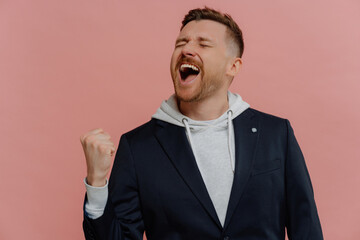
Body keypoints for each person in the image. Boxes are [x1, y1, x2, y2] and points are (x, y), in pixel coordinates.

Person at [80, 7, 323, 240]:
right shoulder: (137, 147)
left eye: (203, 44)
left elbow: (307, 231)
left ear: (233, 66)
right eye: (180, 43)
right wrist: (97, 183)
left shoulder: (277, 135)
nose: (187, 49)